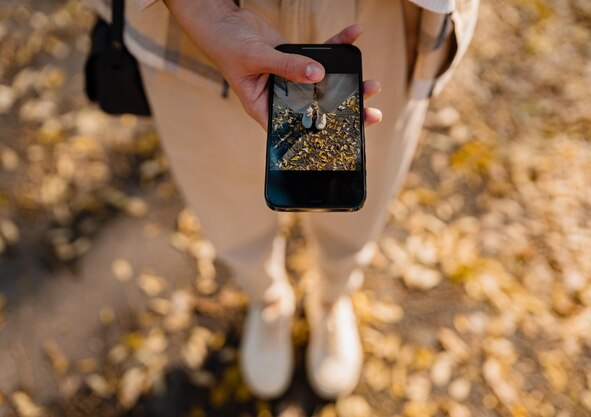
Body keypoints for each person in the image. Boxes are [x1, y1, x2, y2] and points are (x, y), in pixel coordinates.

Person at [85, 0, 479, 400]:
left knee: (358, 193)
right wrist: (200, 10)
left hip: (383, 10)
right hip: (188, 20)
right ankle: (267, 297)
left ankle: (331, 296)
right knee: (223, 197)